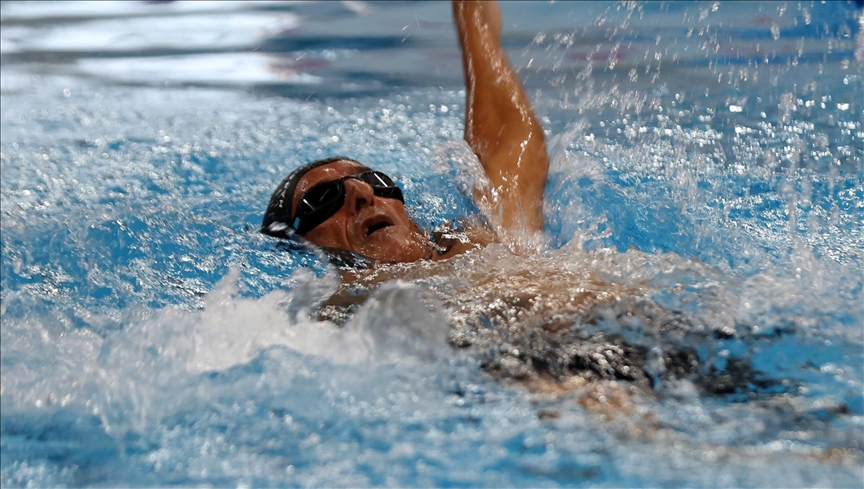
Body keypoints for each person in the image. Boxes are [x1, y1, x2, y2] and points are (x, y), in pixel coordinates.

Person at [261, 0, 548, 265]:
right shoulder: (341, 311)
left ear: (413, 222)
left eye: (376, 180)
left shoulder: (483, 242)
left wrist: (471, 17)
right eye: (322, 198)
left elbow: (509, 144)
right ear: (305, 250)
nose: (361, 191)